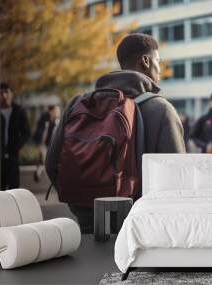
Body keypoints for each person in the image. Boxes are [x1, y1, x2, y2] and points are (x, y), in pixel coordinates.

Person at [46, 33, 185, 233]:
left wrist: (82, 204)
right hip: (140, 228)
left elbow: (52, 163)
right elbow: (177, 178)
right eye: (158, 61)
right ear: (145, 61)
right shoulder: (161, 109)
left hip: (86, 224)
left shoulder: (78, 104)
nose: (160, 70)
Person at [0, 83, 31, 189]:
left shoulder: (19, 111)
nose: (4, 95)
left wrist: (17, 145)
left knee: (13, 188)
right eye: (1, 92)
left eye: (6, 92)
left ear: (11, 94)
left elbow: (26, 132)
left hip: (13, 155)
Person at [33, 105, 60, 182]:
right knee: (44, 160)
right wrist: (39, 144)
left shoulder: (59, 123)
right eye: (55, 111)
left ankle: (39, 171)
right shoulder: (44, 122)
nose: (57, 113)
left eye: (58, 111)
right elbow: (37, 134)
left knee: (48, 162)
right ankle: (38, 172)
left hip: (54, 147)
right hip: (45, 145)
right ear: (50, 112)